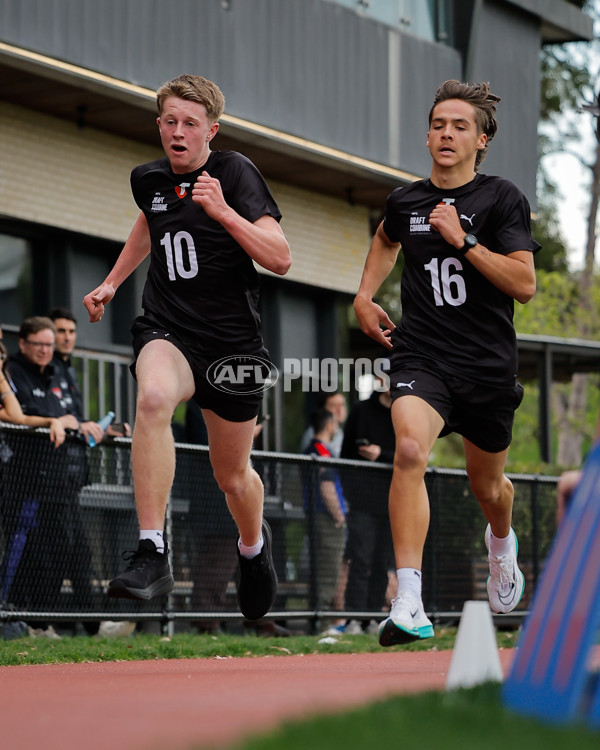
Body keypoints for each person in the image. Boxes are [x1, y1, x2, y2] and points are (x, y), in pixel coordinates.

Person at [82, 74, 291, 621]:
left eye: (190, 124)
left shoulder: (235, 172)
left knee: (231, 476)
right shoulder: (147, 179)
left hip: (232, 346)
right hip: (167, 326)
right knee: (152, 400)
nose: (178, 132)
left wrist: (223, 211)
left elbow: (280, 257)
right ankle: (152, 549)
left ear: (211, 131)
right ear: (158, 125)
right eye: (169, 121)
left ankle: (253, 547)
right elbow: (150, 225)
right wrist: (112, 281)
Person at [353, 80, 539, 646]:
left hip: (486, 366)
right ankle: (408, 600)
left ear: (481, 139)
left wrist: (463, 242)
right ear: (428, 134)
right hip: (422, 353)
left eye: (460, 126)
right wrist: (364, 294)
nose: (447, 134)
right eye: (438, 125)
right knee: (408, 448)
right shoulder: (404, 200)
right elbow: (387, 238)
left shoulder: (501, 198)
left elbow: (525, 285)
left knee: (489, 488)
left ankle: (501, 547)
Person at [1, 317, 96, 633]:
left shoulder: (55, 374)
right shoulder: (12, 370)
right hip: (24, 480)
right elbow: (16, 416)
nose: (45, 351)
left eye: (49, 345)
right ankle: (18, 619)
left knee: (64, 550)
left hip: (58, 480)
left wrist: (78, 424)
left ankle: (42, 623)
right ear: (23, 344)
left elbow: (67, 417)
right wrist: (53, 421)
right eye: (39, 344)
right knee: (27, 551)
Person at [340, 384, 395, 634]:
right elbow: (345, 455)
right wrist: (351, 492)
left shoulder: (403, 412)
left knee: (382, 561)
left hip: (392, 499)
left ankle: (374, 617)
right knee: (360, 559)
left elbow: (412, 455)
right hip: (362, 500)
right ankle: (354, 618)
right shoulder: (361, 410)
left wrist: (381, 454)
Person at [47, 307, 131, 443]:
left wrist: (103, 430)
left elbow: (76, 418)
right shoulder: (43, 367)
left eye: (71, 332)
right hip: (48, 453)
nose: (67, 338)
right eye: (61, 331)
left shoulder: (70, 371)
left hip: (76, 456)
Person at [303, 408, 347, 616]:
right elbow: (326, 486)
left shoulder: (314, 448)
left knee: (324, 566)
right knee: (328, 568)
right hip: (326, 516)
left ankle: (321, 616)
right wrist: (338, 515)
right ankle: (322, 618)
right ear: (329, 425)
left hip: (319, 515)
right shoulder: (321, 451)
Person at [300, 391, 347, 457]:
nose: (339, 410)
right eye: (333, 405)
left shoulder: (340, 433)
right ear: (323, 409)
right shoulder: (314, 433)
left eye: (342, 405)